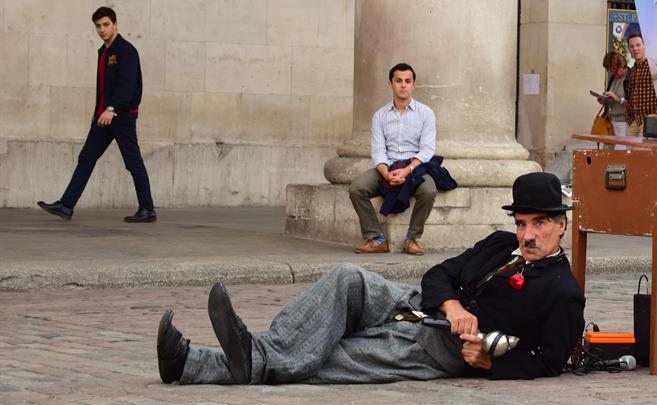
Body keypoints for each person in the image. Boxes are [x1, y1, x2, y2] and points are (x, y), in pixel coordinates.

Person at [156, 172, 585, 385]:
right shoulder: (498, 243)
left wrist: (490, 363)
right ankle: (249, 355)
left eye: (539, 224)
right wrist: (452, 304)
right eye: (522, 223)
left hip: (437, 350)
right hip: (413, 304)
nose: (528, 235)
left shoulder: (563, 291)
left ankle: (192, 364)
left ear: (561, 225)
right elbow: (439, 273)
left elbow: (549, 362)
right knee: (348, 277)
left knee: (327, 352)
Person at [37, 6, 156, 223]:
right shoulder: (104, 51)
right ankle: (66, 205)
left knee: (132, 161)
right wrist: (100, 112)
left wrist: (112, 108)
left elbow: (127, 86)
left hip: (121, 116)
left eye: (106, 24)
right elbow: (104, 88)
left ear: (115, 24)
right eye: (98, 26)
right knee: (86, 157)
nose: (102, 29)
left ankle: (147, 210)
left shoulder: (126, 51)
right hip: (103, 117)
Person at [349, 63, 439, 256]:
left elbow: (427, 149)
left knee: (429, 191)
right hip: (388, 166)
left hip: (415, 167)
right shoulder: (380, 116)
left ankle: (412, 239)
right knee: (357, 188)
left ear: (413, 84)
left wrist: (407, 170)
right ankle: (376, 238)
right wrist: (386, 174)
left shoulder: (426, 113)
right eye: (398, 81)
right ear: (391, 84)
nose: (403, 85)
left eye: (408, 81)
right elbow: (378, 150)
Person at [624, 32, 657, 137]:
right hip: (632, 120)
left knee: (644, 148)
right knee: (629, 148)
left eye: (638, 45)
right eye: (631, 46)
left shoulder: (654, 66)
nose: (635, 49)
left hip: (649, 119)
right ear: (629, 49)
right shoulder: (631, 70)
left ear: (644, 46)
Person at [598, 51, 629, 143]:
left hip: (626, 124)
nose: (613, 72)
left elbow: (636, 105)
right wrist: (604, 101)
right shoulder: (613, 78)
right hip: (612, 123)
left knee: (621, 150)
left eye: (615, 69)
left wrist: (619, 99)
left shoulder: (631, 77)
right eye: (610, 70)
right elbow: (612, 102)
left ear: (622, 64)